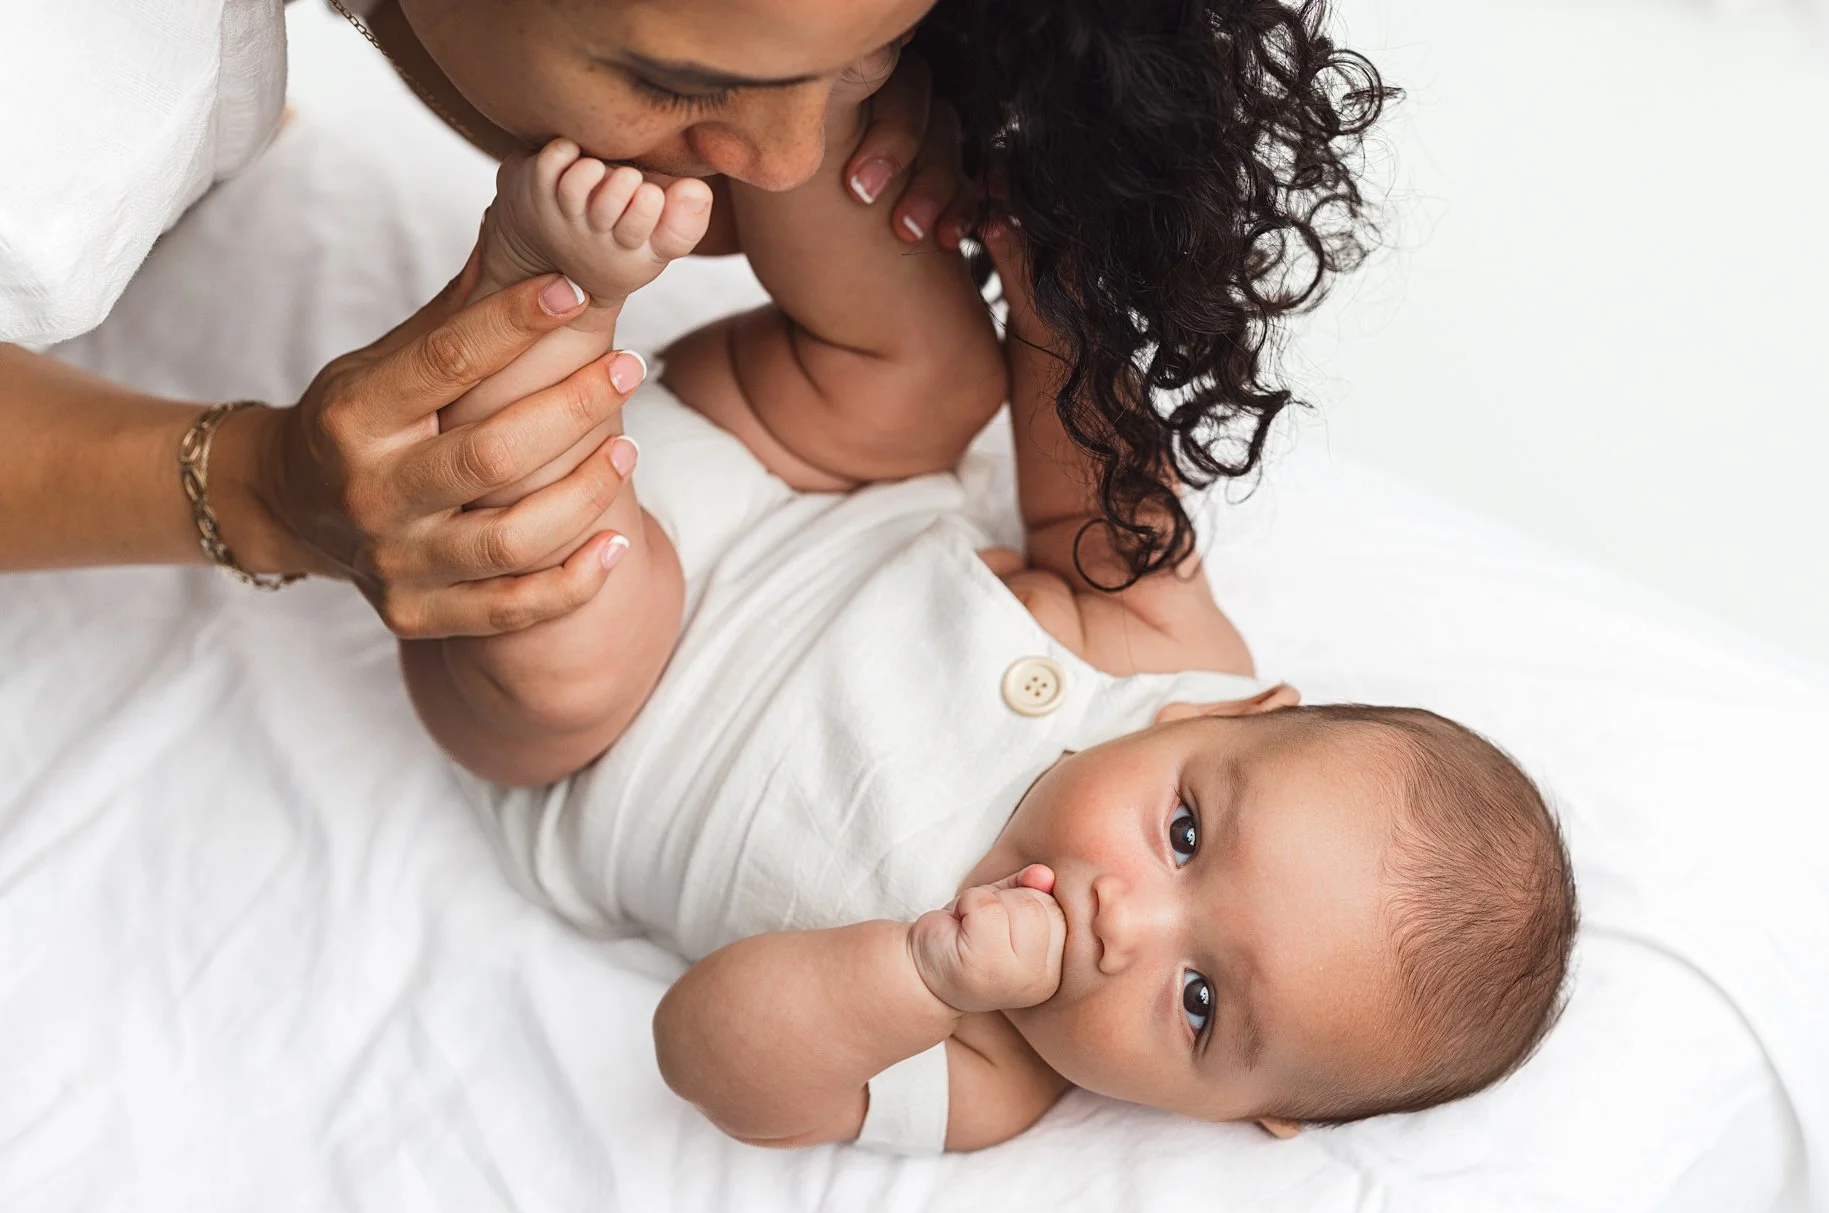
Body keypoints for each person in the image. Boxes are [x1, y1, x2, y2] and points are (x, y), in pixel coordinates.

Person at [404, 87, 1577, 1153]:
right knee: (934, 375)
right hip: (784, 463)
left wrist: (918, 979)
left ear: (1246, 1112)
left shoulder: (985, 1068)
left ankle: (542, 291)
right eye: (1182, 832)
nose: (1123, 920)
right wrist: (1046, 293)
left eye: (1198, 1002)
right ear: (1241, 712)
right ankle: (770, 100)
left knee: (562, 653)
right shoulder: (1171, 661)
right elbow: (1093, 488)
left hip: (598, 716)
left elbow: (705, 1052)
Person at [1, 0, 1389, 635]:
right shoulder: (74, 109)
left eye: (878, 54)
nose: (784, 162)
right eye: (678, 81)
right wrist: (258, 489)